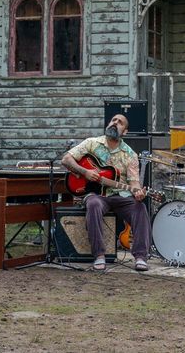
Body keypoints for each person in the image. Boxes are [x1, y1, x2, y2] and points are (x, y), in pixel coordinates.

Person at [61, 114, 150, 272]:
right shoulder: (91, 143)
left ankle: (141, 256)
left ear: (125, 131)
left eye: (120, 122)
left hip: (120, 196)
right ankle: (99, 255)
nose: (115, 123)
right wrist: (85, 172)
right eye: (113, 120)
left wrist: (138, 193)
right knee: (94, 204)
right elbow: (66, 159)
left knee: (140, 208)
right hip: (96, 195)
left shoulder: (130, 154)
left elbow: (134, 183)